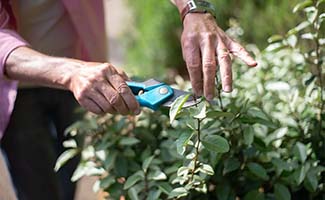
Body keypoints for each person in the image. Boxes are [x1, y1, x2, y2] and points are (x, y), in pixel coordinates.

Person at [0, 0, 257, 199]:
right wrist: (69, 72)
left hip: (83, 69)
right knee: (36, 188)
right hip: (16, 86)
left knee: (68, 174)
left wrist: (193, 9)